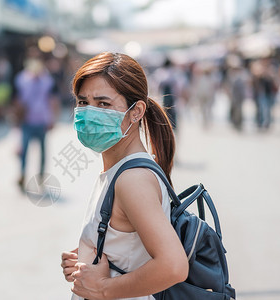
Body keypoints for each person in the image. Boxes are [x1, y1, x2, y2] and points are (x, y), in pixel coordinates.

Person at [61, 52, 188, 300]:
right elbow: (131, 252)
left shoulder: (132, 180)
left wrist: (101, 288)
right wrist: (88, 260)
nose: (89, 113)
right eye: (83, 102)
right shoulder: (119, 170)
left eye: (104, 104)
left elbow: (174, 266)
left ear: (136, 111)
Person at [13, 56, 58, 190]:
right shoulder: (21, 79)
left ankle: (41, 176)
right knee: (24, 150)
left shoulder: (48, 81)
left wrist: (52, 119)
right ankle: (22, 174)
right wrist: (16, 119)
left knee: (42, 151)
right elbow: (16, 99)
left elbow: (53, 100)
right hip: (26, 121)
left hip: (42, 121)